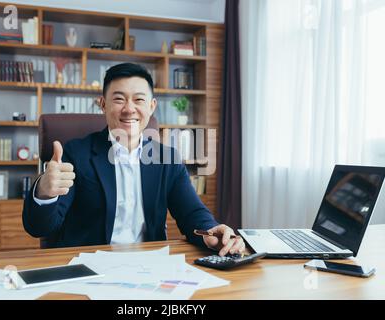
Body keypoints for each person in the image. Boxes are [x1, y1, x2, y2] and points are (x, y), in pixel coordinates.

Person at [22, 62, 245, 256]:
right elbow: (41, 228)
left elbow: (192, 213)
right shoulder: (76, 154)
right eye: (119, 99)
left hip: (148, 264)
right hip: (90, 267)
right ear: (103, 104)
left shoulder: (167, 158)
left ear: (151, 106)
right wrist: (44, 192)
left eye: (139, 99)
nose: (129, 109)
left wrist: (211, 232)